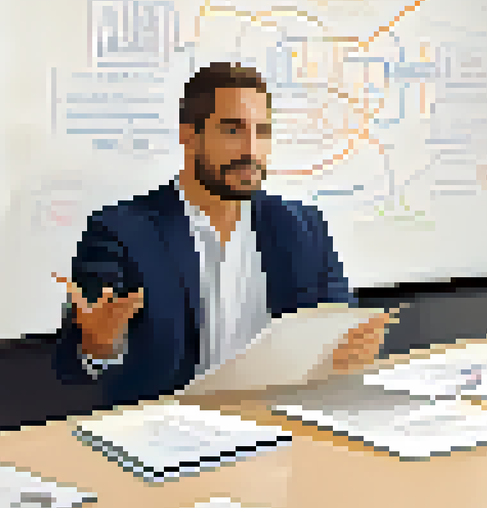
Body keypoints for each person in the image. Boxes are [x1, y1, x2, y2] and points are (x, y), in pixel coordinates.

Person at [53, 62, 391, 408]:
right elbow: (69, 367)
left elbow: (338, 330)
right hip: (168, 435)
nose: (250, 150)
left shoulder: (302, 226)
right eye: (232, 131)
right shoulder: (119, 233)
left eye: (262, 132)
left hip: (282, 425)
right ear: (189, 135)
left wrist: (352, 349)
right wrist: (97, 347)